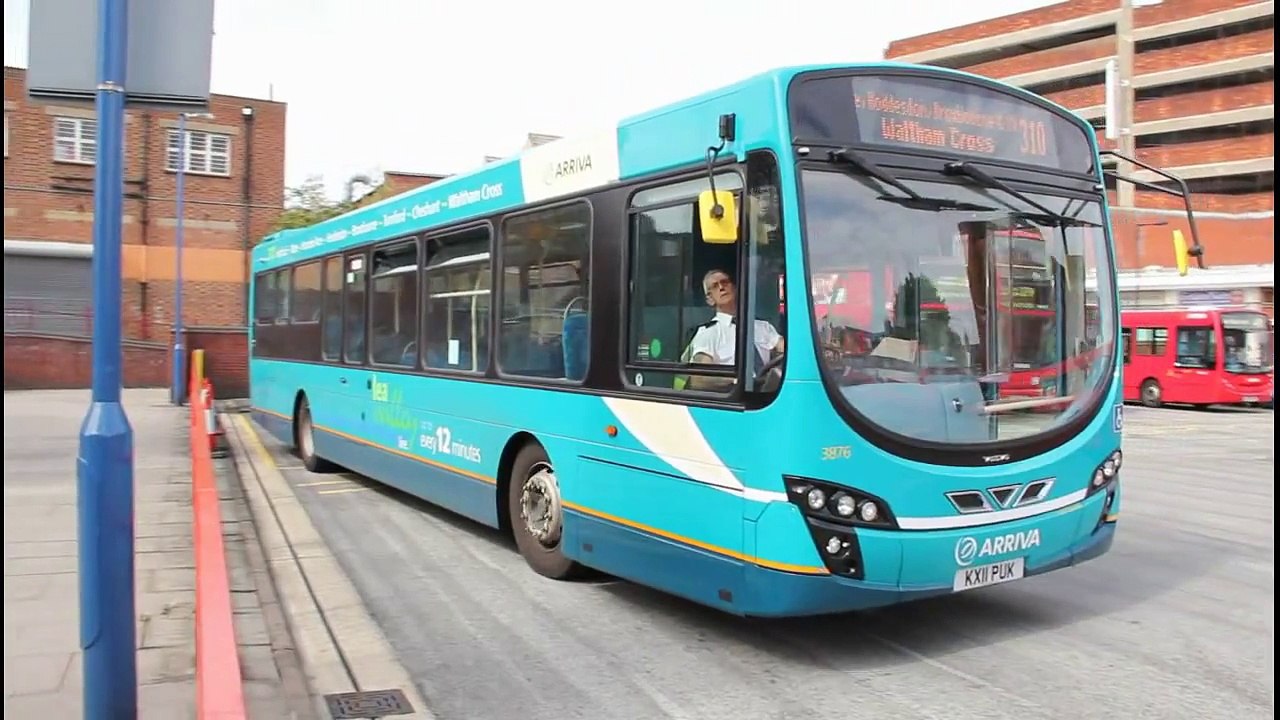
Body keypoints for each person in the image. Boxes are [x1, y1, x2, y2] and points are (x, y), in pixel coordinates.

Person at [682, 269, 784, 390]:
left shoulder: (762, 326)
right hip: (737, 398)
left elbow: (789, 351)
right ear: (710, 299)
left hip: (770, 394)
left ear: (734, 288)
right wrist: (738, 379)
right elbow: (699, 379)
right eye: (715, 286)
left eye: (725, 282)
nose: (721, 287)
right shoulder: (708, 333)